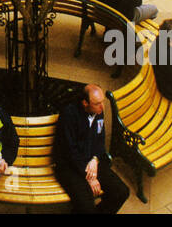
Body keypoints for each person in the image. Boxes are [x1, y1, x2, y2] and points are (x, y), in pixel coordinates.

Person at [53, 84, 130, 214]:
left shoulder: (98, 111)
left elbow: (100, 140)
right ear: (85, 103)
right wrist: (89, 177)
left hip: (91, 162)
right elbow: (70, 152)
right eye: (97, 104)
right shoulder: (69, 115)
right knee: (86, 207)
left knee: (121, 192)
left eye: (102, 102)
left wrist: (95, 159)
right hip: (70, 167)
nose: (102, 107)